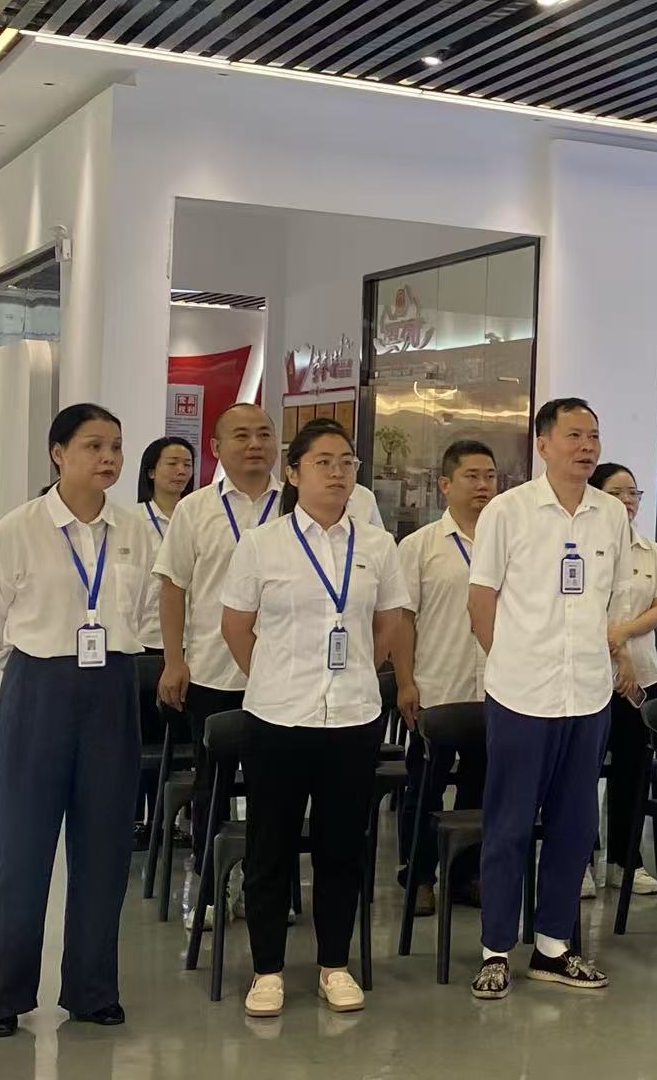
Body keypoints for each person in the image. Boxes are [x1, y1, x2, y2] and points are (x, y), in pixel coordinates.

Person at [219, 418, 412, 1016]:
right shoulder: (262, 545)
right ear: (294, 473)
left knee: (341, 848)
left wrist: (353, 671)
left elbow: (389, 622)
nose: (336, 472)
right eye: (323, 462)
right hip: (278, 718)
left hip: (353, 717)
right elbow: (236, 627)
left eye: (346, 462)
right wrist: (277, 675)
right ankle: (267, 971)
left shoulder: (377, 546)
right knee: (270, 847)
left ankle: (334, 965)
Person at [0, 404, 144, 1037]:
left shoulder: (134, 529)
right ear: (58, 453)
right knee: (19, 848)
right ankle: (3, 994)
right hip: (39, 689)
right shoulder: (15, 531)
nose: (109, 457)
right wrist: (26, 669)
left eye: (116, 446)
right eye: (94, 445)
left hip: (113, 692)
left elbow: (146, 610)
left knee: (105, 848)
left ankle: (92, 990)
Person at [465, 398, 631, 998]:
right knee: (508, 826)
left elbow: (613, 600)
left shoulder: (611, 515)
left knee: (575, 825)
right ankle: (495, 950)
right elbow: (481, 602)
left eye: (593, 436)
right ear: (542, 444)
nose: (586, 447)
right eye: (574, 436)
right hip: (521, 694)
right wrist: (511, 661)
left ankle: (554, 948)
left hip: (586, 694)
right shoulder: (508, 511)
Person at [153, 403, 279, 920]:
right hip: (212, 669)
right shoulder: (196, 509)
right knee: (213, 787)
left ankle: (262, 889)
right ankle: (208, 889)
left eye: (264, 434)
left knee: (275, 788)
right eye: (241, 435)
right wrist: (173, 659)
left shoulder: (297, 506)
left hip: (282, 674)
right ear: (216, 447)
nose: (255, 444)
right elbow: (173, 587)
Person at [393, 438, 500, 917]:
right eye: (472, 476)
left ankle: (466, 876)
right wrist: (405, 681)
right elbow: (402, 620)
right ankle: (418, 876)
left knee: (481, 788)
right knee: (425, 789)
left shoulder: (506, 543)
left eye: (490, 477)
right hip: (437, 687)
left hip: (493, 688)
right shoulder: (419, 547)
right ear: (445, 484)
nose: (483, 485)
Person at [593, 461, 657, 898]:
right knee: (583, 773)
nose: (627, 501)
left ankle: (626, 860)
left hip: (641, 676)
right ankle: (582, 859)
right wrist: (615, 649)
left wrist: (622, 636)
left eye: (633, 493)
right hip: (592, 676)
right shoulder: (586, 547)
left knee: (632, 770)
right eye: (616, 493)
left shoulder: (651, 550)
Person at [131, 437, 195, 656]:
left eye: (187, 464)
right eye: (172, 463)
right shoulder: (132, 521)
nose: (181, 471)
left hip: (192, 635)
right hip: (143, 635)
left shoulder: (198, 517)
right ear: (151, 472)